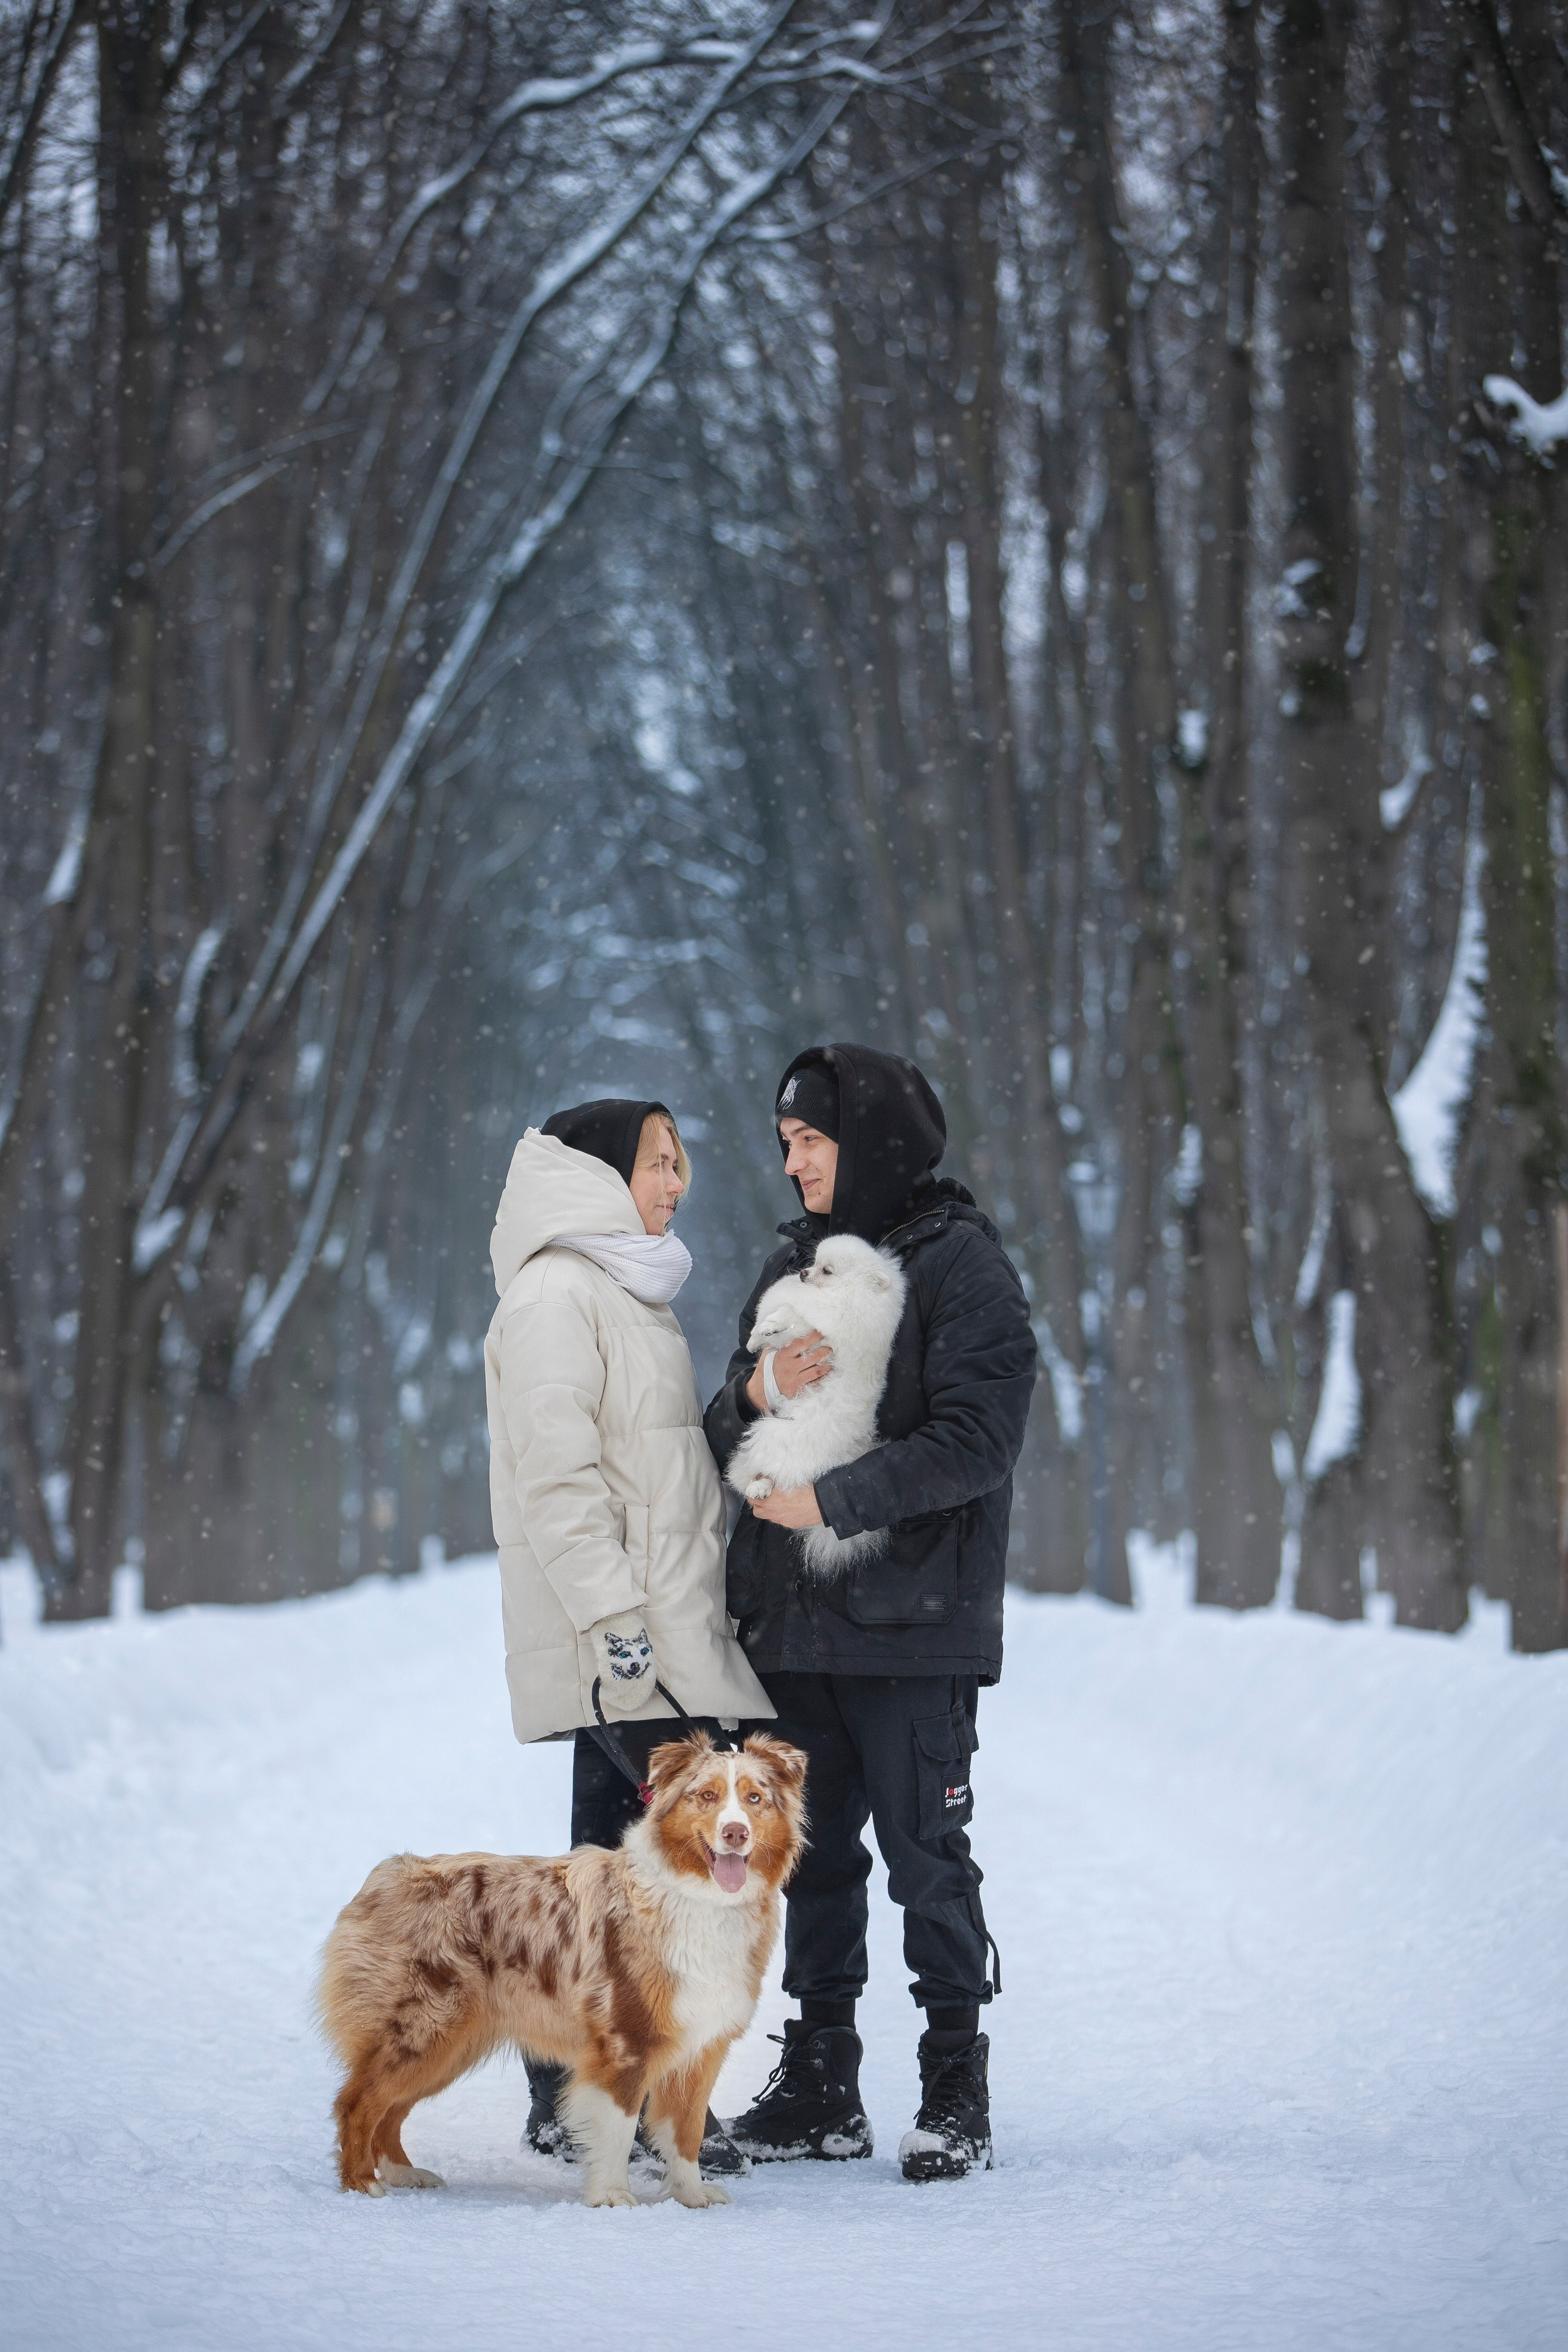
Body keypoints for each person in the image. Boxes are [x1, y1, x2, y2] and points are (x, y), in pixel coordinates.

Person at [703, 1044, 1037, 2182]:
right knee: (811, 1864)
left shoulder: (963, 1268)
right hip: (790, 1632)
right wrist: (755, 1392)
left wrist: (835, 1498)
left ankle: (956, 2087)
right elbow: (720, 1434)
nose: (792, 1165)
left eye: (810, 1140)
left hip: (911, 1627)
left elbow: (978, 1438)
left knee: (925, 1858)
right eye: (785, 1144)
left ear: (873, 1140)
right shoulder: (789, 1269)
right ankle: (822, 2084)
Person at [484, 1096, 772, 2174]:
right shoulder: (559, 1296)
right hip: (623, 1648)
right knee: (623, 1894)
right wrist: (613, 1621)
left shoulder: (621, 1291)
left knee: (621, 1888)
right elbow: (556, 1482)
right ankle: (601, 2105)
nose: (677, 1180)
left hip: (654, 1642)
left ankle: (586, 2100)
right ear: (598, 1174)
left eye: (680, 1161)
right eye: (658, 1161)